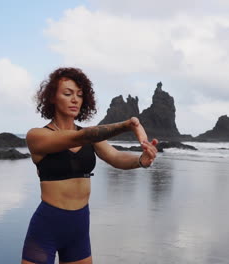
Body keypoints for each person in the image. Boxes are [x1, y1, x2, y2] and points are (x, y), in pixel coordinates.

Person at [21, 67, 158, 264]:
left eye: (79, 95)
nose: (75, 99)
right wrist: (126, 125)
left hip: (79, 228)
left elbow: (115, 157)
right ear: (52, 97)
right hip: (47, 228)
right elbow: (80, 137)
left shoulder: (89, 137)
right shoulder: (37, 136)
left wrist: (140, 161)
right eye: (67, 94)